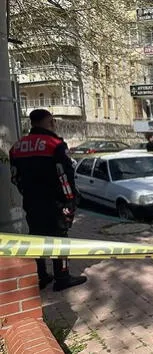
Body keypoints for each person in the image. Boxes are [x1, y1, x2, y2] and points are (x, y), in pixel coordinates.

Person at [9, 109, 88, 292]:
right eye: (53, 121)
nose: (54, 125)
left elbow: (15, 177)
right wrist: (70, 199)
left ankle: (41, 276)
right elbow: (65, 176)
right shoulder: (54, 144)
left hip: (31, 202)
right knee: (60, 238)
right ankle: (62, 277)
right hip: (55, 202)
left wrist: (28, 194)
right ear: (49, 122)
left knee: (36, 238)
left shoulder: (17, 147)